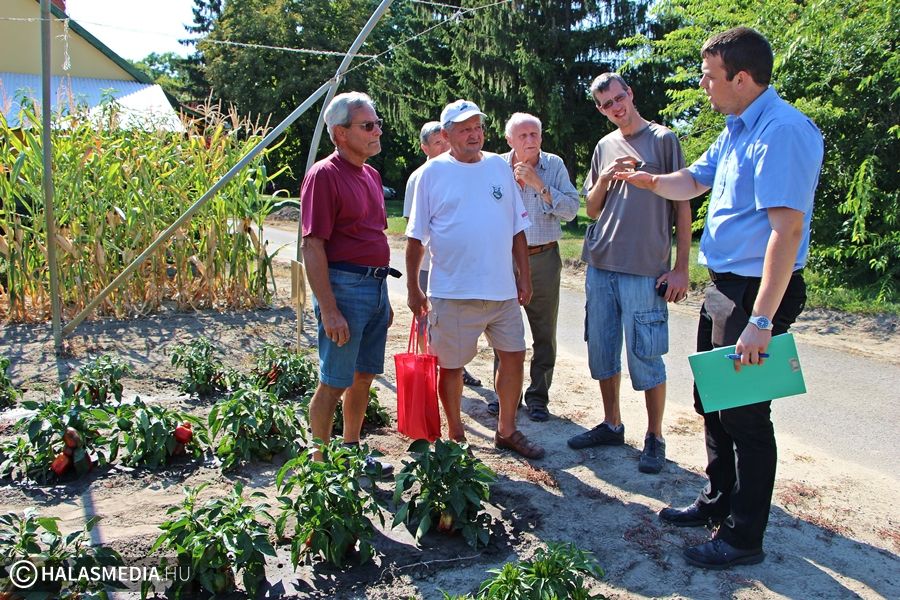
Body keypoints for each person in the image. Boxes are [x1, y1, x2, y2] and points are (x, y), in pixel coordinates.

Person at [612, 27, 824, 568]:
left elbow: (787, 232)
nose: (704, 85)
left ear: (742, 78)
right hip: (726, 288)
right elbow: (692, 181)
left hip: (757, 294)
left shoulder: (782, 132)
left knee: (746, 416)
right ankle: (718, 501)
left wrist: (762, 321)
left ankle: (743, 538)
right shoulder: (736, 128)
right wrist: (649, 182)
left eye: (710, 76)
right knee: (713, 402)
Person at [565, 73, 691, 475]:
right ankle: (612, 424)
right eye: (606, 104)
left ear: (631, 94)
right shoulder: (604, 146)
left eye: (620, 98)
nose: (616, 107)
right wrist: (604, 177)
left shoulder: (663, 139)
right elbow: (592, 208)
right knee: (602, 350)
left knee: (647, 355)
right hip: (601, 264)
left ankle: (654, 437)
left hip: (645, 269)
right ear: (600, 109)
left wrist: (682, 267)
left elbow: (683, 205)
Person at [405, 99, 544, 459]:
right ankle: (457, 435)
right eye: (464, 128)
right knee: (451, 367)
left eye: (477, 127)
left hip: (501, 291)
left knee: (514, 356)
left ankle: (507, 430)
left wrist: (524, 278)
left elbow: (517, 227)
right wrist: (412, 288)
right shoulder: (431, 174)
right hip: (452, 292)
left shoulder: (499, 166)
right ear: (446, 134)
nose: (473, 134)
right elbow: (416, 236)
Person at [300, 91, 399, 475]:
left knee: (363, 376)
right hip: (343, 288)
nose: (377, 131)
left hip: (374, 288)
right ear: (340, 133)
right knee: (333, 380)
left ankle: (352, 449)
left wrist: (383, 298)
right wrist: (329, 308)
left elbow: (372, 236)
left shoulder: (371, 175)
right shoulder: (324, 175)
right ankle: (319, 464)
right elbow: (313, 245)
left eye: (377, 124)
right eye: (367, 126)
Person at [493, 113, 579, 422]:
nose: (530, 140)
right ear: (509, 140)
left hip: (543, 257)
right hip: (503, 258)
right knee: (503, 329)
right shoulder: (495, 167)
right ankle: (506, 397)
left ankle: (539, 397)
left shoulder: (553, 166)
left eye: (534, 134)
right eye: (523, 136)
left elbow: (571, 211)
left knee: (544, 330)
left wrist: (539, 184)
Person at [403, 121, 482, 387]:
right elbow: (413, 228)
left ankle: (456, 367)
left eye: (445, 141)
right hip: (429, 266)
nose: (445, 146)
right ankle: (430, 366)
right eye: (438, 143)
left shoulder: (461, 171)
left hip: (456, 266)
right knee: (429, 321)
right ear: (425, 147)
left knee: (457, 322)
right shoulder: (420, 176)